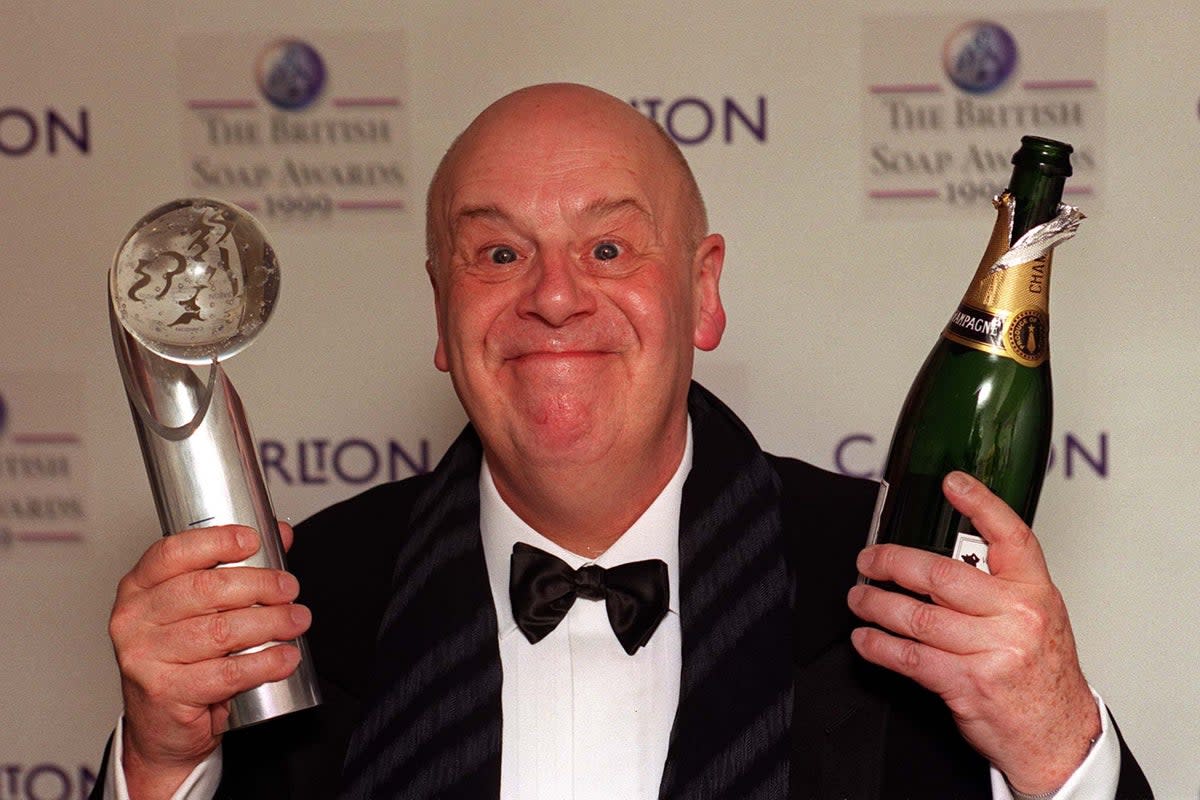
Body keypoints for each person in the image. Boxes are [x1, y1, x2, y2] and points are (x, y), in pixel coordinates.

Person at [90, 83, 1152, 800]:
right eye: (498, 250)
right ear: (440, 313)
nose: (554, 296)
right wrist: (159, 757)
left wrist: (1058, 739)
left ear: (702, 291)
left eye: (608, 244)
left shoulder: (894, 578)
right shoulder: (305, 599)